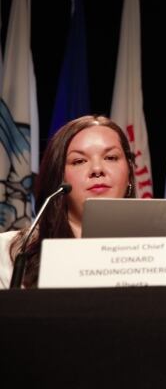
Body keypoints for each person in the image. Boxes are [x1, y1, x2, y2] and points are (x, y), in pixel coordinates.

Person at [0, 115, 136, 288]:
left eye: (110, 157)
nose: (97, 169)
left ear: (129, 172)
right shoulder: (6, 253)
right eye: (79, 161)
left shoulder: (161, 250)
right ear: (59, 177)